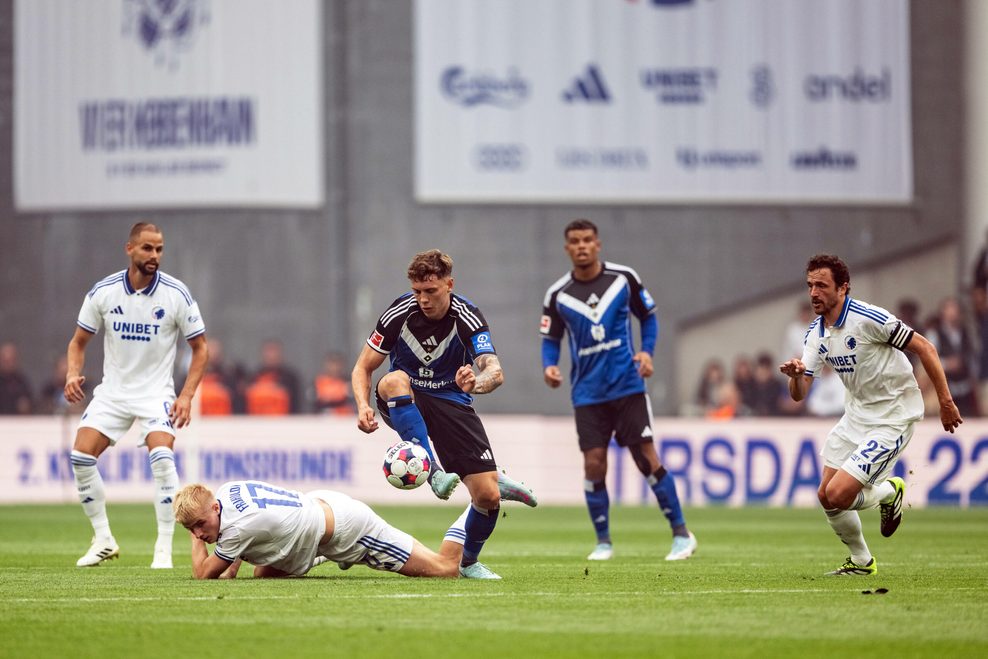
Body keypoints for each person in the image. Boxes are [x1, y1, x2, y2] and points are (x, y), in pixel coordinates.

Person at [351, 249, 536, 580]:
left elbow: (494, 371)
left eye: (431, 291)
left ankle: (468, 562)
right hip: (407, 398)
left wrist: (475, 383)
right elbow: (363, 367)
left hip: (451, 401)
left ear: (449, 284)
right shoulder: (398, 314)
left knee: (487, 495)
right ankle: (434, 472)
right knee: (393, 379)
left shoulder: (467, 317)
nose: (422, 299)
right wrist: (363, 406)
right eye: (417, 291)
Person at [779, 254, 962, 576]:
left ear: (843, 288)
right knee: (826, 496)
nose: (813, 293)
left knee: (839, 493)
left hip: (893, 416)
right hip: (856, 415)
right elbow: (799, 394)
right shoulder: (815, 333)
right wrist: (796, 375)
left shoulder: (868, 318)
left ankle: (891, 492)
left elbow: (925, 348)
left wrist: (946, 402)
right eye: (810, 286)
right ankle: (862, 562)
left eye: (821, 285)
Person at [541, 219, 696, 562]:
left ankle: (682, 535)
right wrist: (549, 365)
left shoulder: (623, 278)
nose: (581, 246)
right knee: (594, 465)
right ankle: (603, 542)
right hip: (587, 393)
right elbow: (551, 338)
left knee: (646, 458)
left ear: (598, 244)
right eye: (575, 242)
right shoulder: (558, 295)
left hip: (627, 386)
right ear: (567, 248)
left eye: (587, 240)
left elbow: (649, 316)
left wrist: (647, 352)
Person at [64, 222, 208, 569]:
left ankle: (162, 548)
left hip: (156, 392)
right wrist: (72, 373)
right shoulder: (104, 292)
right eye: (147, 248)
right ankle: (103, 539)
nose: (154, 255)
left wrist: (186, 396)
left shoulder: (176, 294)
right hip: (113, 392)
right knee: (81, 457)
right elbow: (78, 342)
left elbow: (200, 348)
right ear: (130, 249)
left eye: (159, 249)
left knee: (162, 458)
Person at [173, 480, 466, 579]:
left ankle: (478, 504)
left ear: (214, 509)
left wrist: (195, 541)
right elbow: (237, 546)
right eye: (192, 528)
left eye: (199, 524)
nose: (199, 533)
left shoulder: (237, 528)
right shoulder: (226, 491)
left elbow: (203, 574)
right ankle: (326, 554)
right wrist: (231, 566)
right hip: (319, 505)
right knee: (263, 573)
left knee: (444, 568)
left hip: (351, 528)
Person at [250, 339, 302, 414]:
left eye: (274, 351)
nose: (271, 355)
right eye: (269, 351)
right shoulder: (254, 377)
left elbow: (296, 403)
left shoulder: (290, 377)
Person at [0, 341, 33, 414]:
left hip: (16, 422)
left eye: (11, 360)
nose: (8, 364)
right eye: (5, 361)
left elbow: (28, 403)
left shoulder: (22, 382)